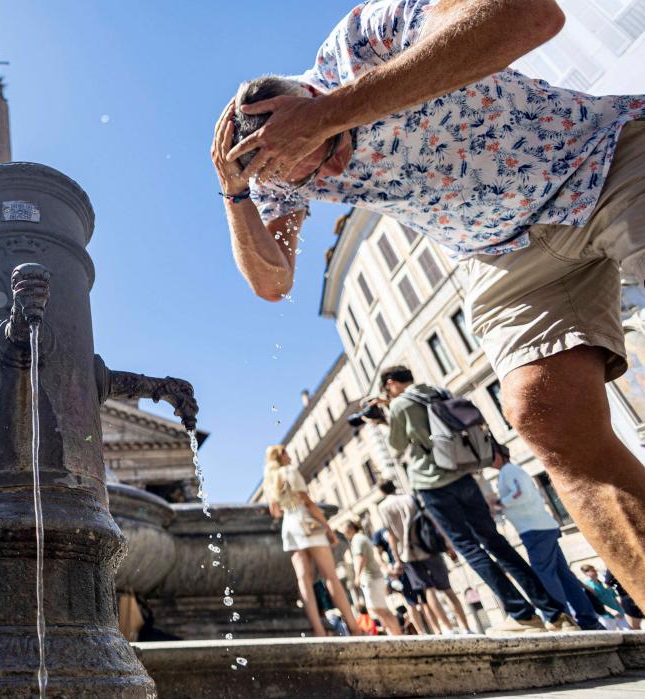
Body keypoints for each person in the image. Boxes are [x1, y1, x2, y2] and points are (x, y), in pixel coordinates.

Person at [211, 0, 645, 613]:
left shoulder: (366, 36)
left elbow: (531, 16)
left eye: (320, 147)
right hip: (499, 250)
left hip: (598, 157)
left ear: (307, 93)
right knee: (545, 415)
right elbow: (272, 282)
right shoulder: (282, 173)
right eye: (305, 174)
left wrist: (330, 115)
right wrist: (235, 195)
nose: (328, 168)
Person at [378, 366, 573, 633]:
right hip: (465, 477)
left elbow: (398, 444)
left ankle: (522, 614)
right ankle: (555, 614)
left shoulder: (400, 404)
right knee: (496, 542)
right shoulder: (437, 391)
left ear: (390, 384)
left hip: (433, 484)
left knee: (470, 547)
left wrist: (385, 414)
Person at [490, 453, 601, 630]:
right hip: (544, 527)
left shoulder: (508, 471)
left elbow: (520, 494)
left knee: (544, 575)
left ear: (498, 455)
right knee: (564, 575)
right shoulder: (516, 470)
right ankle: (588, 619)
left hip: (534, 530)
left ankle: (561, 618)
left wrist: (498, 503)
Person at [263, 445, 362, 637]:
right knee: (330, 576)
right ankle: (354, 626)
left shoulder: (272, 480)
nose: (290, 455)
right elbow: (307, 501)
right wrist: (327, 528)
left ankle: (318, 630)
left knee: (304, 580)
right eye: (286, 452)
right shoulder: (290, 471)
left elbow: (275, 512)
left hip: (289, 526)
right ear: (281, 456)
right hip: (306, 523)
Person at [376, 481, 474, 635]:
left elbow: (391, 536)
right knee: (447, 589)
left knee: (428, 591)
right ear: (394, 487)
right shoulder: (409, 498)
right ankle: (465, 627)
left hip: (407, 553)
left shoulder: (382, 507)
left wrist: (396, 558)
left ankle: (447, 628)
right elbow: (431, 519)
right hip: (428, 546)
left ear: (381, 491)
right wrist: (447, 544)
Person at [342, 520, 402, 635]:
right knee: (377, 609)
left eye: (343, 526)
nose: (342, 530)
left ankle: (398, 636)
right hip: (373, 578)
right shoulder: (360, 538)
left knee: (381, 609)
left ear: (350, 528)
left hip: (371, 578)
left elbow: (361, 558)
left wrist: (357, 576)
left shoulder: (357, 539)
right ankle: (393, 634)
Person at [373, 526, 431, 634]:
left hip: (412, 561)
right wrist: (387, 568)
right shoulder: (379, 533)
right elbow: (377, 554)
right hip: (401, 569)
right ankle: (422, 632)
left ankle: (433, 629)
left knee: (424, 599)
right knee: (412, 602)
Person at [581, 564, 630, 630]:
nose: (595, 572)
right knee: (611, 637)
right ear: (586, 573)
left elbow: (614, 596)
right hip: (606, 616)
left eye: (594, 570)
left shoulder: (604, 582)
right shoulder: (589, 588)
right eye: (592, 570)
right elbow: (597, 603)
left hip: (619, 613)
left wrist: (622, 608)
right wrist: (611, 611)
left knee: (628, 632)